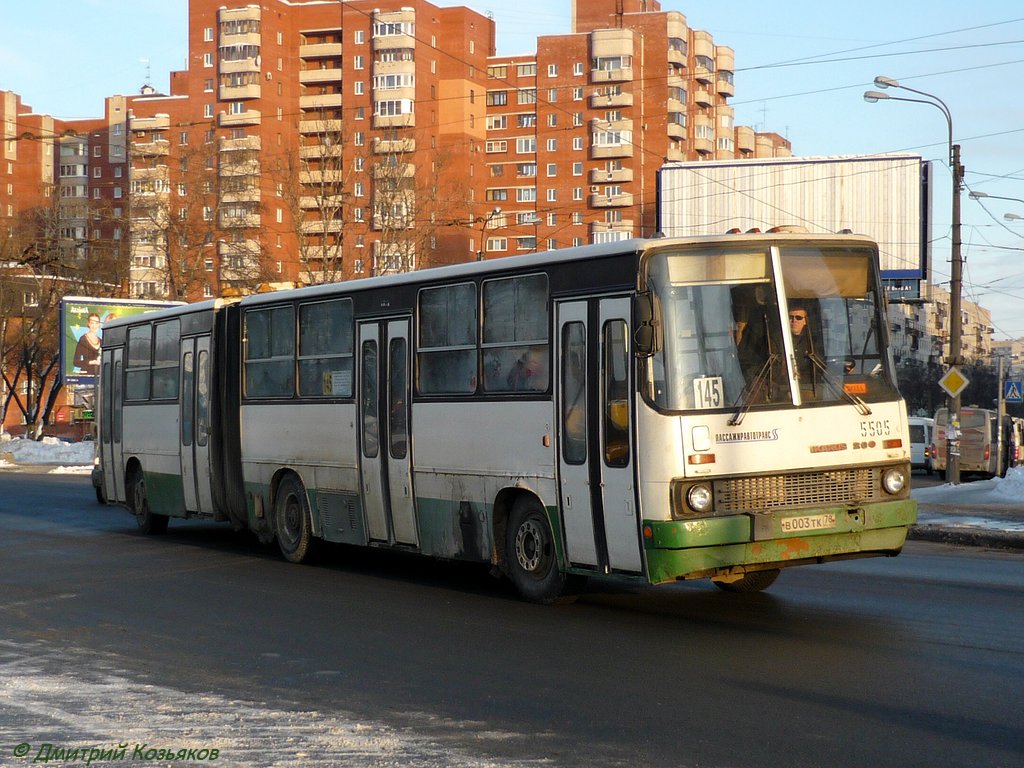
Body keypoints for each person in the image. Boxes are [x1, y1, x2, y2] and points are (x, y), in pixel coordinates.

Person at [787, 302, 817, 397]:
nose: (794, 320)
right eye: (790, 317)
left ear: (805, 321)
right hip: (782, 388)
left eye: (798, 318)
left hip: (811, 388)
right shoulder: (775, 340)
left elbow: (823, 366)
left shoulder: (813, 342)